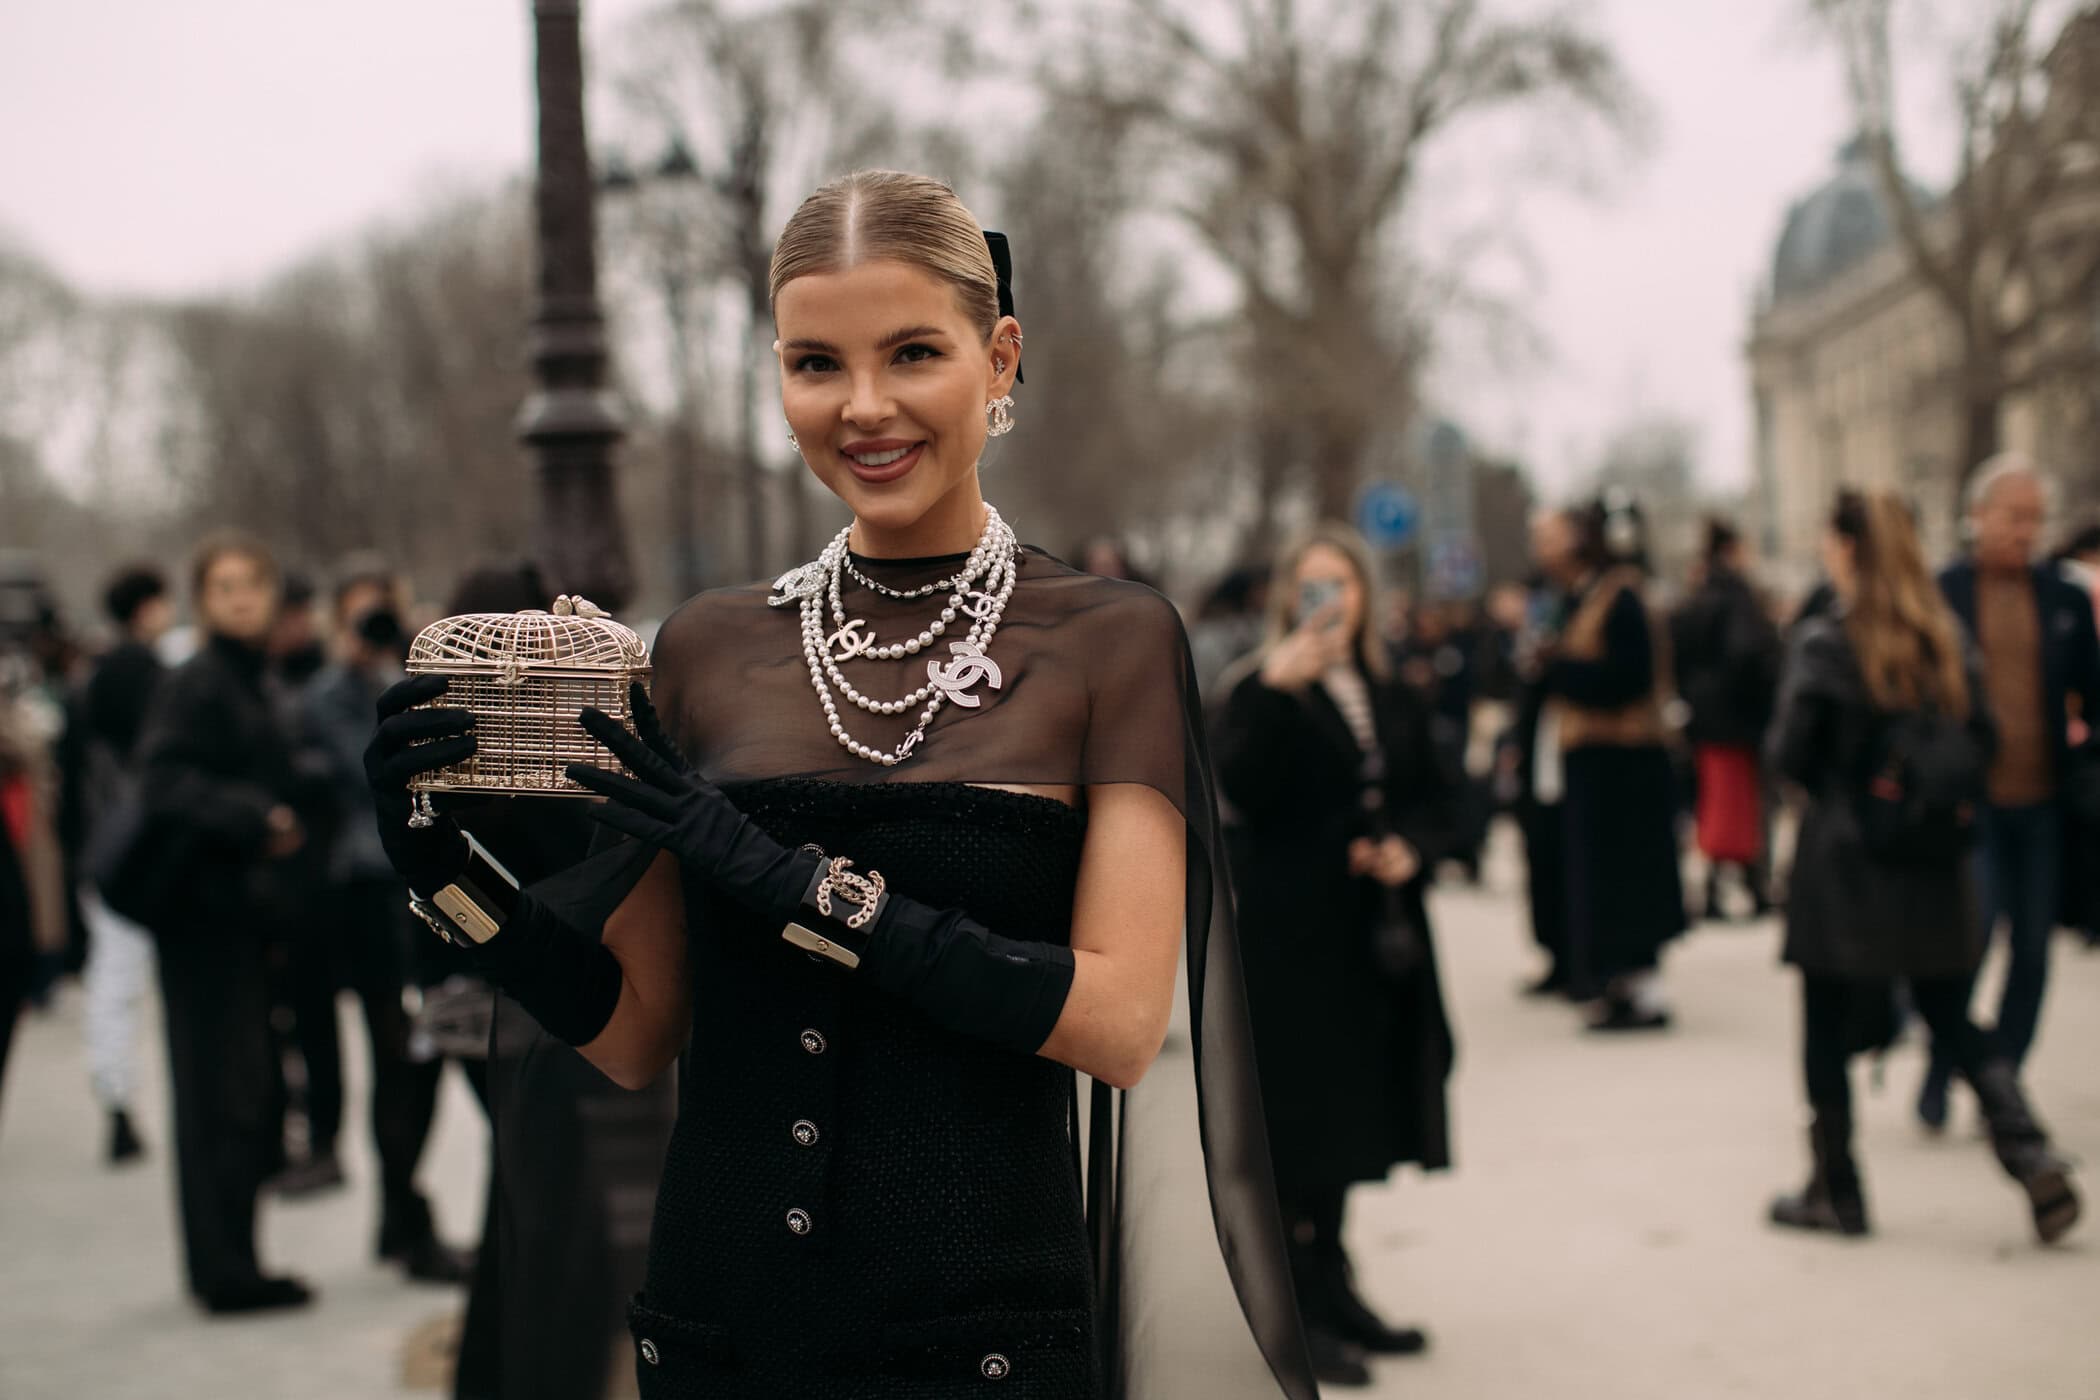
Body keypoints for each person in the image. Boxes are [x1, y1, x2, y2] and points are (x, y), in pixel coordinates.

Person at [362, 170, 1315, 1399]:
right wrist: (452, 880)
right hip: (721, 1328)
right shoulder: (708, 646)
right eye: (816, 364)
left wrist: (791, 881)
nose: (864, 407)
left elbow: (1120, 1023)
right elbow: (637, 1031)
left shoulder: (1109, 641)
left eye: (913, 351)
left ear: (1001, 355)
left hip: (981, 1342)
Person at [1765, 488, 2080, 1244]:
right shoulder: (1948, 639)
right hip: (1933, 865)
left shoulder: (1826, 644)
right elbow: (1984, 742)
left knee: (1823, 1027)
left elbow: (1788, 756)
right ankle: (2029, 1154)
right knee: (1951, 1015)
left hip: (1844, 866)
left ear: (1847, 549)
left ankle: (1836, 1190)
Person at [1213, 524, 1457, 1387]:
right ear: (1289, 598)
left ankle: (1337, 1284)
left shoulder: (1392, 690)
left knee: (1356, 1115)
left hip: (1373, 936)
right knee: (1298, 1122)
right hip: (1290, 941)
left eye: (1343, 585)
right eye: (1312, 587)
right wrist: (1278, 695)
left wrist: (1410, 850)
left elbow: (1439, 797)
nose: (1330, 602)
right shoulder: (1260, 686)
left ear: (1365, 595)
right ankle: (1296, 1310)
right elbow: (1240, 791)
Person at [132, 532, 315, 1313]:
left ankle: (235, 1260)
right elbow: (163, 780)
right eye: (224, 586)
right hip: (199, 923)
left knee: (246, 1090)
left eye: (253, 584)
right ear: (201, 599)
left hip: (241, 918)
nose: (241, 598)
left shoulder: (252, 679)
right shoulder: (198, 681)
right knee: (218, 1095)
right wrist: (256, 815)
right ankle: (225, 1271)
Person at [294, 565, 472, 1279]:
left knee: (411, 1062)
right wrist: (370, 673)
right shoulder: (330, 694)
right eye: (363, 616)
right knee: (398, 1057)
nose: (376, 627)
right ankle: (402, 1220)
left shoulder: (412, 673)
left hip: (413, 885)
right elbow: (370, 767)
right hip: (365, 893)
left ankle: (401, 1220)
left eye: (385, 614)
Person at [1917, 455, 2100, 1131]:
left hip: (2044, 802)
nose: (2026, 530)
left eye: (2035, 518)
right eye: (2013, 516)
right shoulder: (1944, 594)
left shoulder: (2064, 599)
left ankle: (2004, 1082)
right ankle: (1946, 1065)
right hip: (1974, 805)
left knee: (2032, 952)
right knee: (1968, 944)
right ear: (1978, 517)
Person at [1528, 496, 1686, 1029]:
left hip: (1624, 765)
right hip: (1601, 765)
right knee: (1605, 882)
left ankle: (1638, 989)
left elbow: (1631, 677)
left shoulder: (1622, 598)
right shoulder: (1591, 596)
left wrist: (1562, 671)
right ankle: (1615, 982)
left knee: (1628, 883)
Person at [75, 565, 172, 1165]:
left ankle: (116, 1098)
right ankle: (119, 1102)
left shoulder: (97, 675)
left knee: (113, 979)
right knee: (128, 976)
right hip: (141, 844)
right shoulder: (145, 674)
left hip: (105, 842)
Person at [1671, 519, 1782, 920]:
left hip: (1708, 720)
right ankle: (1751, 883)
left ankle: (1723, 885)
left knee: (1718, 805)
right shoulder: (1737, 598)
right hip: (1738, 721)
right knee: (1741, 807)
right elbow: (1748, 656)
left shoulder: (1699, 596)